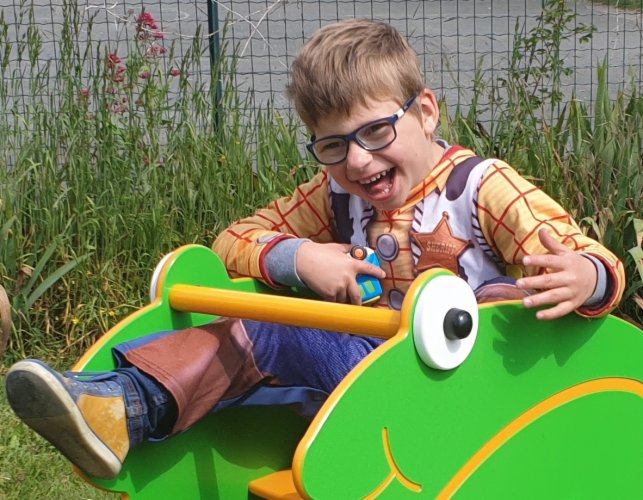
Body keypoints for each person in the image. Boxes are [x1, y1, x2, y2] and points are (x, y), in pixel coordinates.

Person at [5, 19, 625, 481]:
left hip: (469, 398)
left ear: (426, 112)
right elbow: (234, 240)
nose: (358, 160)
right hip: (369, 381)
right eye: (332, 145)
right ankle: (119, 407)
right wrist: (303, 258)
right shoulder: (336, 196)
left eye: (376, 131)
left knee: (486, 298)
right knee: (272, 314)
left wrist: (584, 275)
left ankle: (127, 405)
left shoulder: (482, 188)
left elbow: (590, 259)